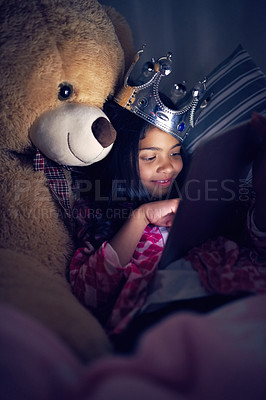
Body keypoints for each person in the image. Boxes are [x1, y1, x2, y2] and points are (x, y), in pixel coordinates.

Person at [69, 100, 188, 336]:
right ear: (122, 158)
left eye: (175, 153)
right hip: (155, 327)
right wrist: (140, 217)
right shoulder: (98, 211)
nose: (168, 167)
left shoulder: (193, 195)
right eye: (150, 158)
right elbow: (89, 295)